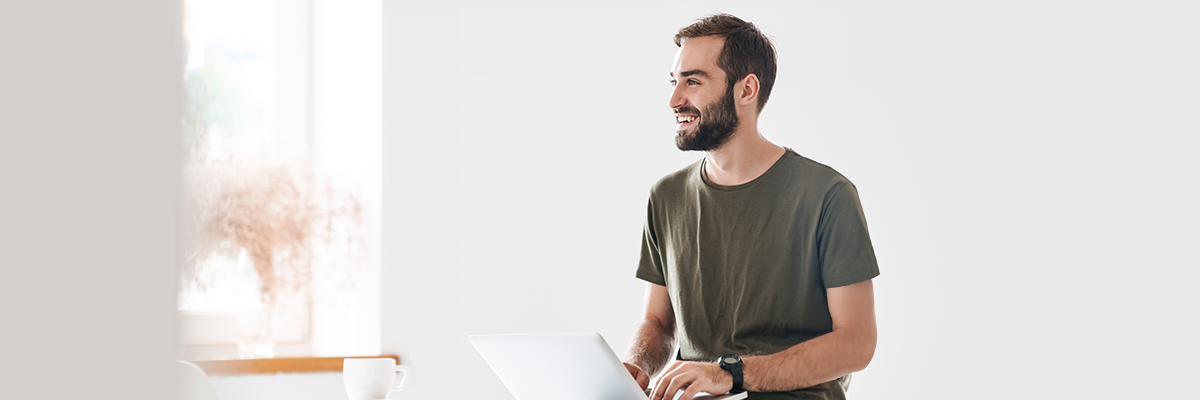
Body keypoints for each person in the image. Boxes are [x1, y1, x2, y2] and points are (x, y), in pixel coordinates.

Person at [621, 14, 880, 400]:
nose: (675, 99)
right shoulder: (666, 197)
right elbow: (658, 321)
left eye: (693, 81)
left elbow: (857, 343)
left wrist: (732, 374)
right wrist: (636, 367)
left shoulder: (827, 195)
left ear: (746, 90)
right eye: (674, 82)